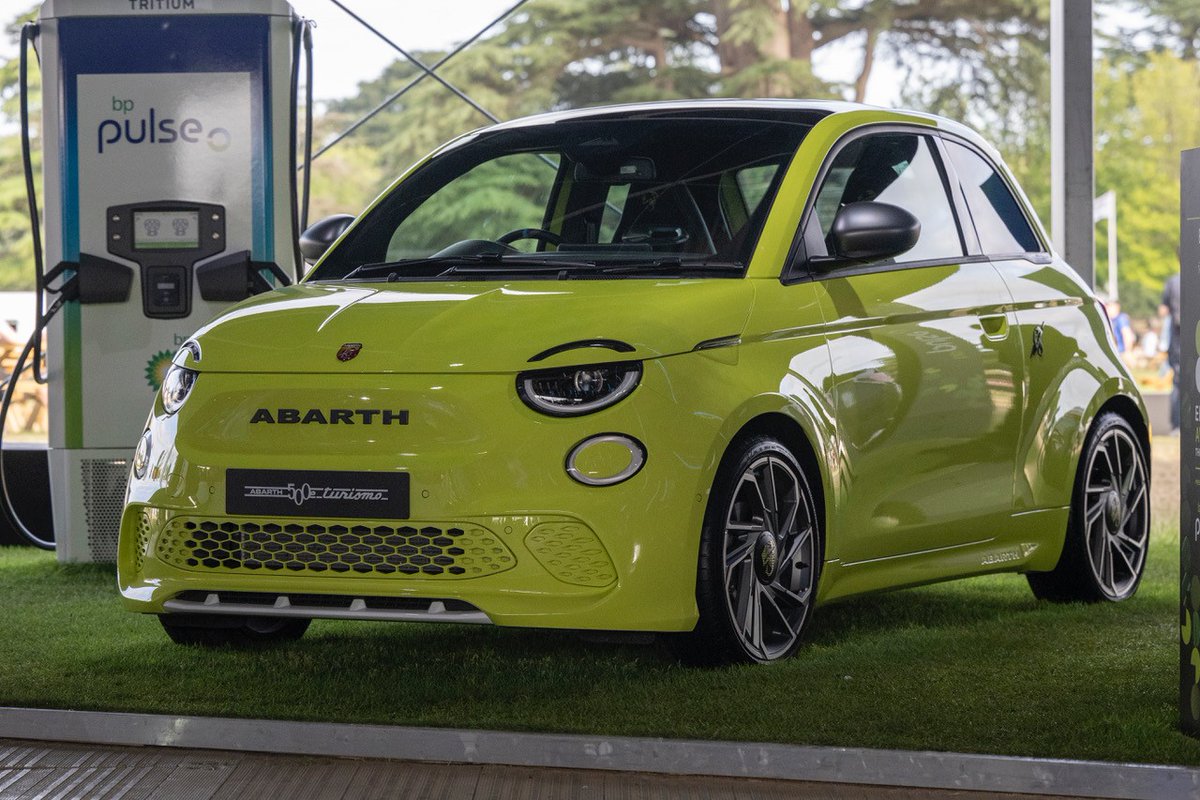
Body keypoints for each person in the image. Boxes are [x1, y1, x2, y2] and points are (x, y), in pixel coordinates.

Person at [1161, 272, 1181, 434]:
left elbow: (1163, 310)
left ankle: (1176, 425)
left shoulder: (1172, 282)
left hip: (1177, 338)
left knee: (1178, 382)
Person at [1106, 297, 1134, 364]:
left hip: (1121, 353)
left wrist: (1128, 351)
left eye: (1109, 306)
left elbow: (1127, 335)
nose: (1107, 307)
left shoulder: (1121, 319)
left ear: (1117, 307)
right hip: (1116, 353)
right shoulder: (1111, 320)